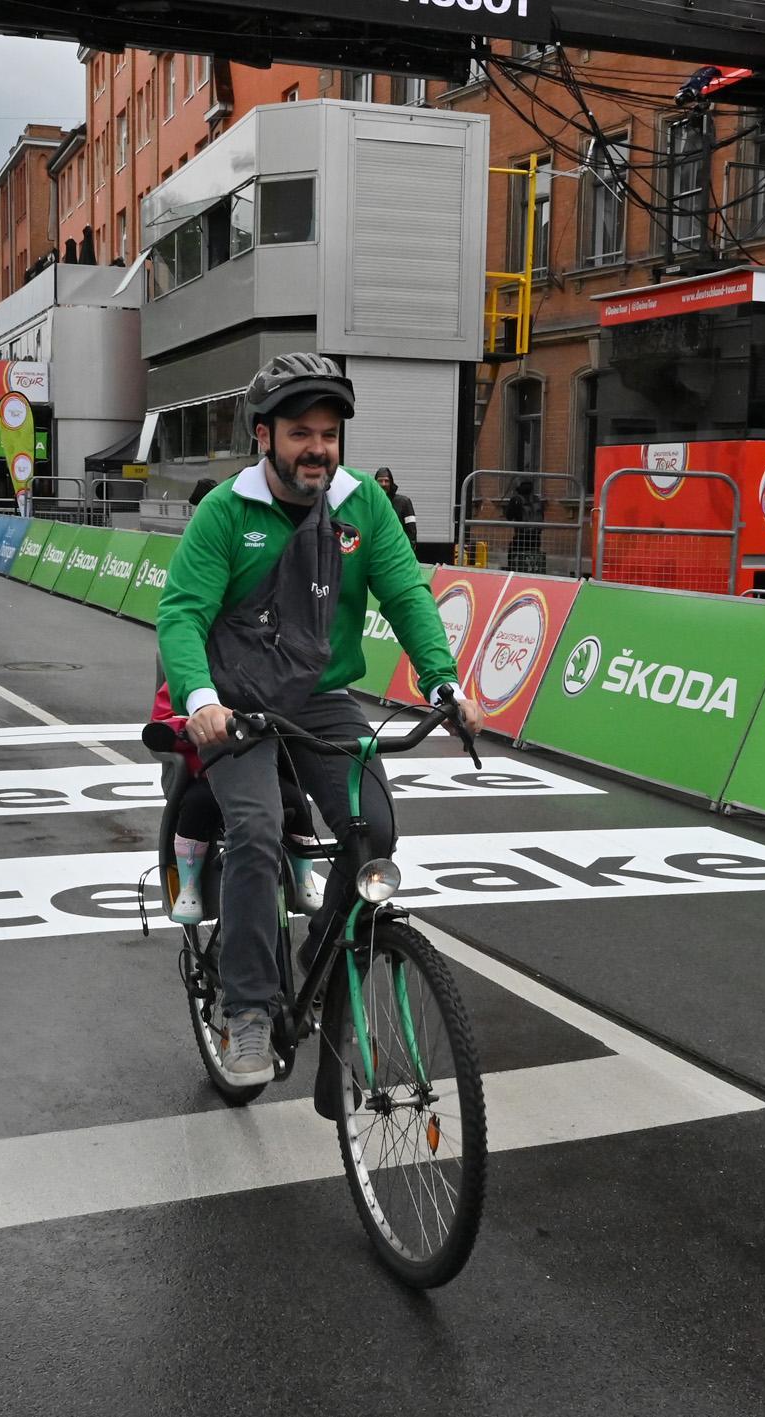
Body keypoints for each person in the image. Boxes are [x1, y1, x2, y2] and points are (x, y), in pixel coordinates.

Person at [156, 352, 484, 1086]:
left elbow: (405, 594)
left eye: (330, 434)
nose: (319, 448)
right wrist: (202, 702)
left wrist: (443, 682)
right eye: (302, 431)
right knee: (260, 828)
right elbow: (181, 615)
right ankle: (244, 1010)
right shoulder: (225, 513)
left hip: (322, 699)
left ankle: (317, 960)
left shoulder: (362, 504)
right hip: (238, 702)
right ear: (264, 435)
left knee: (377, 829)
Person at [372, 468, 417, 542]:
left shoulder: (404, 502)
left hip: (398, 549)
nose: (383, 484)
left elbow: (411, 530)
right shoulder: (372, 503)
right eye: (380, 481)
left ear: (391, 483)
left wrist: (410, 549)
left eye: (386, 481)